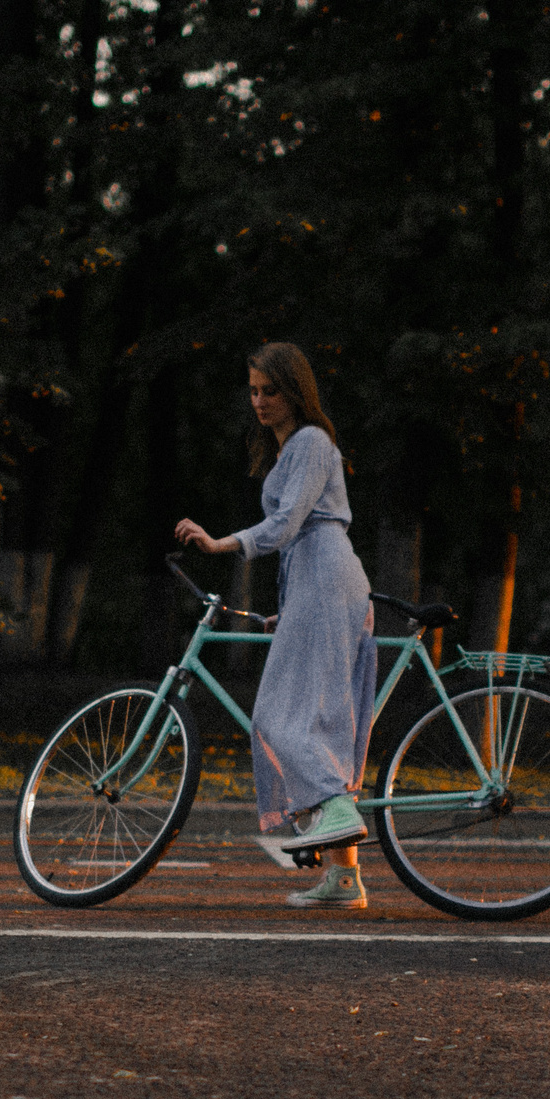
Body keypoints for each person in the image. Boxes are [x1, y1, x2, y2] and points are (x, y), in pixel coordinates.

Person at [173, 342, 377, 908]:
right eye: (254, 391)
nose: (260, 402)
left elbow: (288, 525)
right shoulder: (293, 448)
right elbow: (300, 537)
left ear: (296, 392)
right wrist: (288, 609)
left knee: (276, 713)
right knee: (322, 718)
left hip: (327, 576)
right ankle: (343, 878)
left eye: (272, 391)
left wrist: (223, 544)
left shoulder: (311, 441)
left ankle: (335, 810)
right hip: (317, 582)